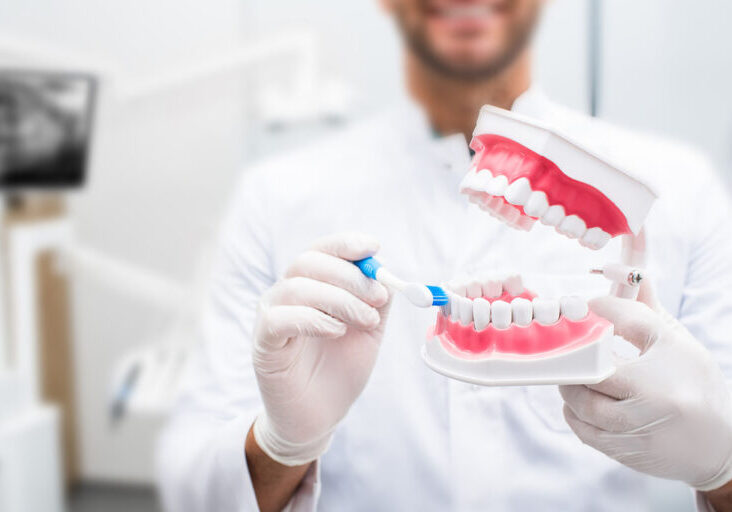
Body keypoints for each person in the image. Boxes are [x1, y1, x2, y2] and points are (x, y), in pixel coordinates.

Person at [157, 1, 732, 511]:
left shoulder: (685, 190)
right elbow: (190, 485)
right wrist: (283, 443)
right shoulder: (276, 198)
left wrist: (724, 465)